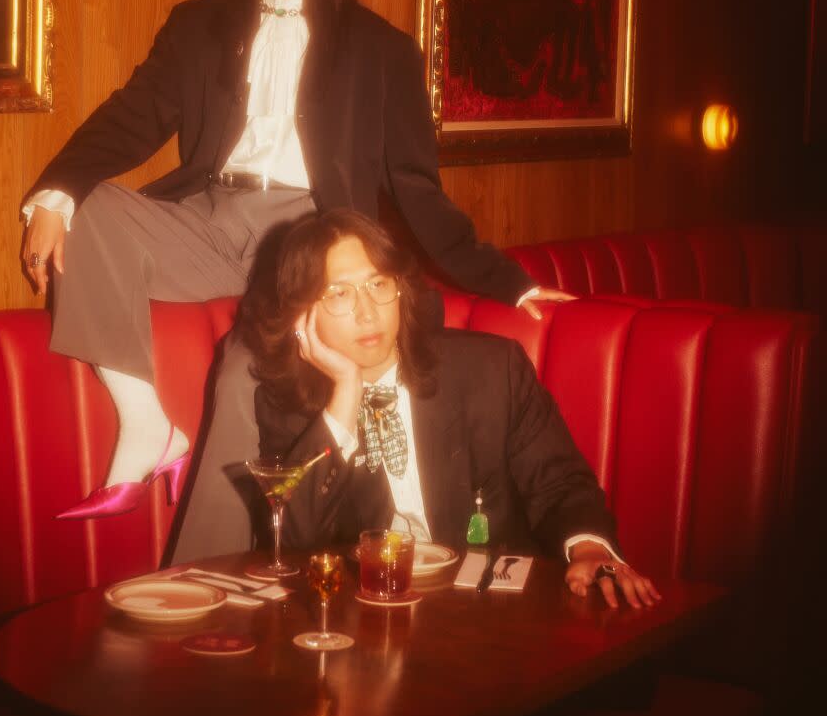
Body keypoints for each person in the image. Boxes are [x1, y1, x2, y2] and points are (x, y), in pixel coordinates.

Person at [19, 0, 569, 539]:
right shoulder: (198, 25)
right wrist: (53, 192)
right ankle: (146, 423)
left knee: (242, 374)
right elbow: (132, 118)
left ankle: (203, 588)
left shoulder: (382, 51)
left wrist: (506, 279)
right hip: (211, 218)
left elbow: (416, 188)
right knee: (85, 206)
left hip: (313, 237)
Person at [239, 207, 659, 608]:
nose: (367, 313)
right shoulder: (287, 406)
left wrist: (587, 548)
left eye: (379, 284)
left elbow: (562, 485)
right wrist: (345, 393)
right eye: (338, 294)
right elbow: (290, 543)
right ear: (301, 317)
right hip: (366, 622)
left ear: (401, 290)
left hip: (488, 615)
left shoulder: (492, 370)